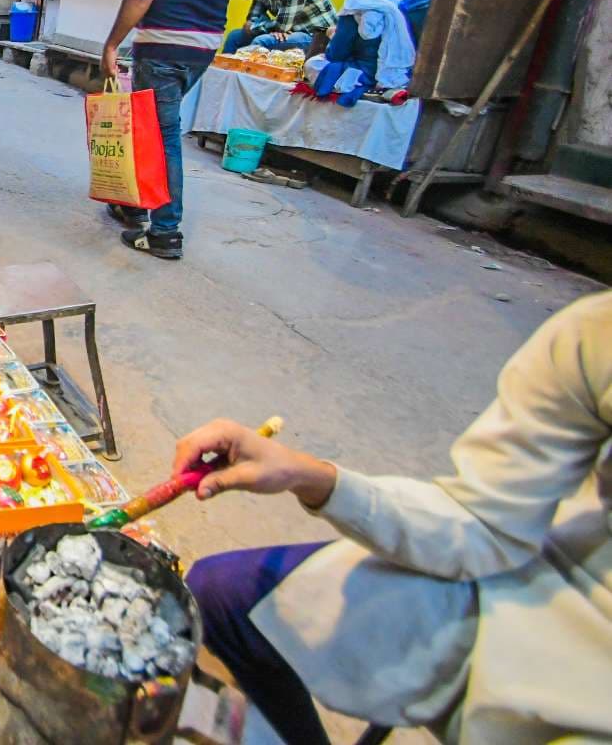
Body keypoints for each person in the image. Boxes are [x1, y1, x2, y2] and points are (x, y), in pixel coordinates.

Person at [180, 292, 612, 744]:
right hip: (525, 577)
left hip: (583, 698)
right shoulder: (593, 333)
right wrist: (309, 476)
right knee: (219, 592)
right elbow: (484, 524)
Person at [101, 0, 262, 259]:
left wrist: (113, 42)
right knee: (154, 127)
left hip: (163, 40)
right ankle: (133, 207)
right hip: (205, 43)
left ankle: (165, 230)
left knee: (162, 133)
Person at [302, 0, 418, 106]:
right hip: (401, 73)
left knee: (313, 64)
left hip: (364, 72)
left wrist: (333, 36)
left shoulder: (356, 5)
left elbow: (336, 53)